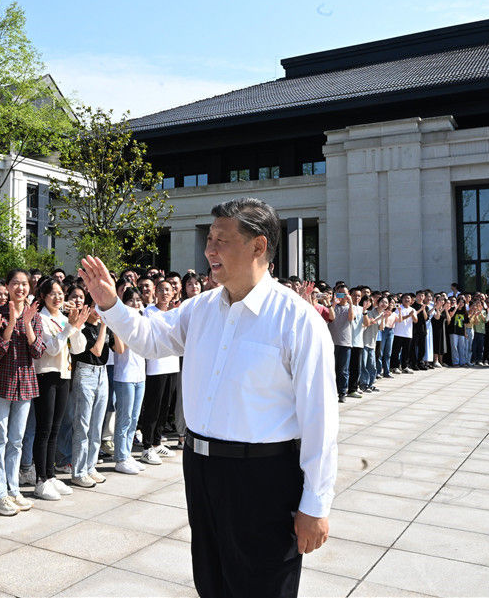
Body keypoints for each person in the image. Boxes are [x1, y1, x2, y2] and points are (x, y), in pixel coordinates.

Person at [80, 197, 337, 598]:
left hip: (264, 478)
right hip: (201, 469)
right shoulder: (198, 309)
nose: (209, 250)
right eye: (209, 239)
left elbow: (320, 418)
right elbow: (150, 338)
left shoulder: (297, 321)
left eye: (221, 240)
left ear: (258, 246)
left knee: (262, 585)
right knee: (212, 582)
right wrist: (110, 304)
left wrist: (316, 503)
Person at [0, 269, 43, 516]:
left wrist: (28, 324)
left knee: (16, 441)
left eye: (24, 284)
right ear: (7, 286)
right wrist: (9, 326)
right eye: (15, 284)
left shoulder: (34, 315)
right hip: (1, 383)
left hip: (26, 384)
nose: (20, 288)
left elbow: (38, 351)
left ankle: (13, 489)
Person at [32, 278, 86, 500]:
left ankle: (51, 475)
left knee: (55, 428)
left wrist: (76, 326)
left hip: (64, 374)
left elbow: (80, 348)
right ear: (43, 296)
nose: (58, 297)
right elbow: (51, 349)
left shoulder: (64, 319)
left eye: (60, 293)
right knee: (44, 429)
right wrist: (69, 329)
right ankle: (40, 479)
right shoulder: (41, 319)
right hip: (46, 375)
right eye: (52, 294)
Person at [69, 294, 114, 487]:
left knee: (97, 425)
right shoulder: (83, 328)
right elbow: (96, 350)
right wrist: (104, 325)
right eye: (96, 307)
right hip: (85, 373)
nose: (99, 312)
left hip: (102, 373)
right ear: (88, 307)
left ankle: (90, 466)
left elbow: (118, 348)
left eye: (102, 308)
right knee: (83, 425)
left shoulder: (102, 327)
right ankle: (78, 471)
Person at [136, 279, 179, 462]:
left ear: (173, 293)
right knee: (153, 406)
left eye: (167, 290)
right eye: (160, 290)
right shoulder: (148, 312)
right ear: (155, 292)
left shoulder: (176, 313)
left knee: (165, 406)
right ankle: (146, 446)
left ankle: (156, 442)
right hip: (156, 365)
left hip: (172, 363)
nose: (164, 293)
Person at [111, 287, 147, 475]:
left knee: (134, 418)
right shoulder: (120, 323)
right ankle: (120, 457)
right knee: (124, 418)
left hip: (140, 375)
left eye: (138, 300)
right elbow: (121, 349)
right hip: (124, 377)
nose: (135, 303)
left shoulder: (141, 320)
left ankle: (128, 453)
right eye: (131, 300)